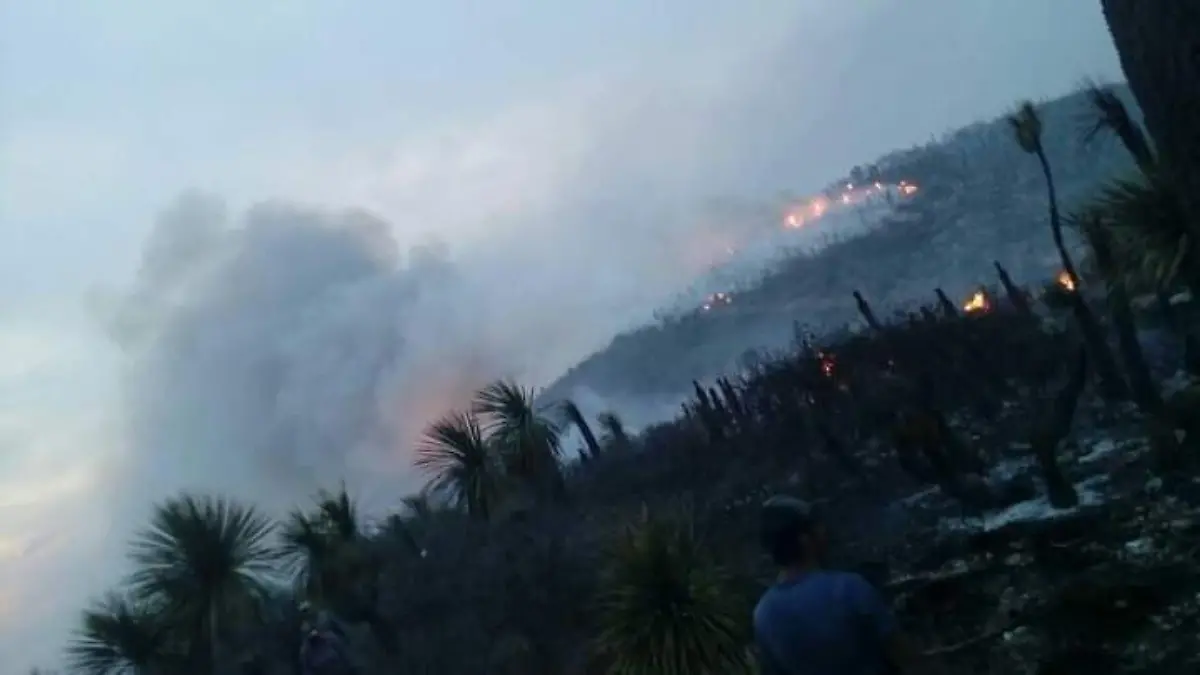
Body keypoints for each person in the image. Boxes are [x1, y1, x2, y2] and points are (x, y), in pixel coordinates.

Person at [753, 496, 915, 674]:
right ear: (804, 539)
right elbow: (902, 654)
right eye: (816, 526)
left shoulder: (763, 614)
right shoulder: (848, 589)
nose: (825, 531)